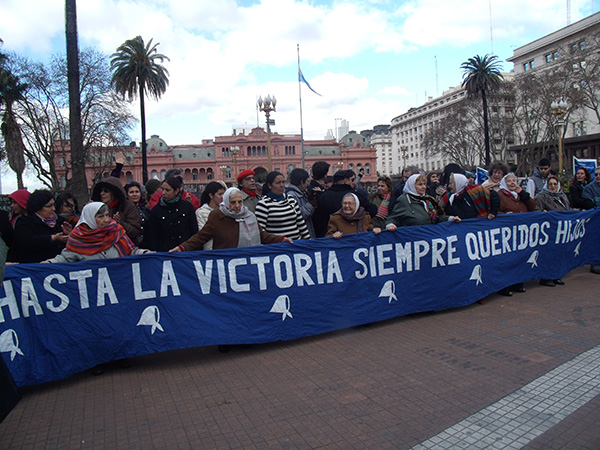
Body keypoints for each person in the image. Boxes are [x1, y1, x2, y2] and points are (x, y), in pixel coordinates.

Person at [170, 187, 292, 252]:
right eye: (233, 203)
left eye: (240, 202)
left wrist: (281, 239)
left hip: (248, 263)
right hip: (226, 264)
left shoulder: (249, 216)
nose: (237, 206)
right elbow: (201, 236)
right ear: (226, 202)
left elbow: (262, 235)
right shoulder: (217, 216)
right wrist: (182, 248)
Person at [46, 202, 152, 263]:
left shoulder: (116, 231)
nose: (106, 220)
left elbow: (131, 251)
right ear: (90, 218)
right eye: (101, 217)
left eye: (107, 215)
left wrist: (146, 253)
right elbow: (65, 258)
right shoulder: (78, 238)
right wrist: (49, 263)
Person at [497, 173, 536, 296]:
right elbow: (495, 211)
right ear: (504, 183)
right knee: (508, 260)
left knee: (520, 259)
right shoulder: (501, 195)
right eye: (509, 181)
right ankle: (505, 286)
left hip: (521, 233)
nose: (512, 183)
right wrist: (504, 215)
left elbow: (532, 206)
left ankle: (518, 283)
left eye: (514, 180)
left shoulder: (519, 195)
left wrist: (524, 195)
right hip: (507, 233)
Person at [313, 169, 376, 238]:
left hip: (328, 237)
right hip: (353, 236)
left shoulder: (324, 196)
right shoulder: (356, 196)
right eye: (352, 180)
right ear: (346, 181)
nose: (354, 182)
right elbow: (373, 210)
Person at [13, 189, 71, 263]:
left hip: (58, 265)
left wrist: (70, 235)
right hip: (35, 266)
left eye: (53, 205)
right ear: (38, 208)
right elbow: (27, 241)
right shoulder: (25, 222)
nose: (53, 209)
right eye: (49, 206)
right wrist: (52, 238)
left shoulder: (61, 221)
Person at [143, 176, 199, 252]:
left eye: (167, 190)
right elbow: (153, 236)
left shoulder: (187, 207)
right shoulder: (156, 210)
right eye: (162, 189)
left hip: (185, 252)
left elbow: (194, 231)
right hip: (164, 253)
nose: (163, 193)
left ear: (176, 191)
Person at [386, 174, 460, 229]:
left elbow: (436, 218)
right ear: (412, 186)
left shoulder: (428, 200)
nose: (424, 187)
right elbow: (393, 217)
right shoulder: (404, 200)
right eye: (420, 184)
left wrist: (450, 218)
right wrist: (390, 225)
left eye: (424, 184)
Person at [255, 171, 311, 240]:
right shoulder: (263, 204)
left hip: (296, 245)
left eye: (283, 182)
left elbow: (301, 224)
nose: (282, 185)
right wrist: (279, 239)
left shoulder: (291, 199)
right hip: (278, 248)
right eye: (278, 183)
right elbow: (261, 232)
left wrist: (308, 241)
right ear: (269, 185)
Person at [91, 176, 141, 242]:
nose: (102, 194)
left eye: (106, 191)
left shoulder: (127, 206)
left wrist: (120, 223)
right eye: (101, 191)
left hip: (123, 245)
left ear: (114, 193)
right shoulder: (96, 207)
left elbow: (134, 231)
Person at [286, 168, 316, 238]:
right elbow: (299, 215)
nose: (307, 184)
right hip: (299, 236)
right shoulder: (291, 195)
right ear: (302, 182)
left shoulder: (300, 193)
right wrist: (311, 204)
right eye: (306, 181)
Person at [195, 181, 226, 250]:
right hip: (209, 248)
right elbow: (203, 232)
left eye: (224, 194)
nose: (222, 197)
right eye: (220, 194)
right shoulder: (201, 212)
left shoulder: (225, 211)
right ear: (211, 195)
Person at [583, 167, 600, 275]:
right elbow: (589, 204)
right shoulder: (589, 188)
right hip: (595, 220)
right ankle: (596, 263)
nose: (598, 176)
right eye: (596, 174)